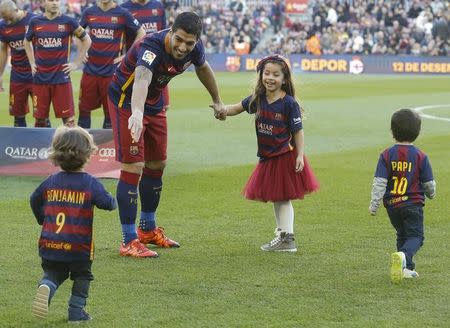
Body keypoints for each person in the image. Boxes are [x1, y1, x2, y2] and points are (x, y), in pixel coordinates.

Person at [108, 11, 226, 258]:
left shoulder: (195, 48)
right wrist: (137, 113)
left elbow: (203, 69)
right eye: (179, 40)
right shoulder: (151, 45)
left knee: (157, 163)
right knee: (133, 166)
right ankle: (128, 240)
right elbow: (141, 77)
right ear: (171, 32)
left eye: (189, 43)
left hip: (154, 102)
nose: (183, 47)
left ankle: (147, 230)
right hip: (126, 102)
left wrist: (217, 101)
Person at [217, 54, 319, 252]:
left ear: (284, 79)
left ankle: (287, 238)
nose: (270, 78)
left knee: (283, 198)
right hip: (268, 156)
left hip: (284, 155)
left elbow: (298, 131)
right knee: (277, 197)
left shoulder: (289, 103)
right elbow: (237, 108)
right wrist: (222, 110)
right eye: (267, 73)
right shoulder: (258, 99)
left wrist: (300, 155)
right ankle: (282, 235)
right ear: (261, 75)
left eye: (276, 74)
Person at [30, 125, 117, 322]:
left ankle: (47, 285)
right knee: (82, 276)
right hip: (79, 246)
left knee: (54, 271)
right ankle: (76, 312)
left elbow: (34, 199)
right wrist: (113, 200)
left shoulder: (50, 181)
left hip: (50, 243)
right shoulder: (90, 183)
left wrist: (41, 219)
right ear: (88, 153)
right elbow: (108, 204)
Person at [369, 108, 436, 283]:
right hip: (412, 205)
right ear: (418, 132)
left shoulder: (386, 155)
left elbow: (379, 182)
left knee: (402, 234)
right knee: (416, 237)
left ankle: (406, 268)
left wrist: (374, 204)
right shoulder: (421, 156)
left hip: (392, 205)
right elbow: (429, 184)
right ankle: (404, 256)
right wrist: (432, 194)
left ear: (392, 132)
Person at [77, 0, 145, 129]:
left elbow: (141, 32)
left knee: (110, 113)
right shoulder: (88, 12)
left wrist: (127, 55)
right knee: (84, 111)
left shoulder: (123, 13)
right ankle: (82, 146)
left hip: (111, 73)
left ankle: (108, 148)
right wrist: (82, 50)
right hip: (90, 71)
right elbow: (77, 33)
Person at [24, 0, 91, 127]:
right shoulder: (35, 22)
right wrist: (32, 62)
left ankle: (70, 147)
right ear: (44, 3)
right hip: (40, 78)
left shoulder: (68, 21)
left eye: (57, 0)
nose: (54, 3)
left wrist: (76, 63)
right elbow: (26, 42)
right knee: (39, 120)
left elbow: (87, 40)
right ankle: (41, 146)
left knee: (69, 120)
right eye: (51, 0)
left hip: (61, 78)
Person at [120, 0, 171, 111]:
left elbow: (166, 34)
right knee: (131, 107)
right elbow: (119, 37)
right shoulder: (124, 8)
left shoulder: (158, 6)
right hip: (134, 64)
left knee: (161, 108)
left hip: (159, 66)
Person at [0, 0, 35, 127]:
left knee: (41, 115)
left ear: (16, 10)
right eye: (4, 18)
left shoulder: (34, 20)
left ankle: (42, 146)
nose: (7, 22)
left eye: (9, 18)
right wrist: (0, 75)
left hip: (36, 74)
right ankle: (20, 146)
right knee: (17, 116)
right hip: (17, 75)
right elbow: (3, 50)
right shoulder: (3, 25)